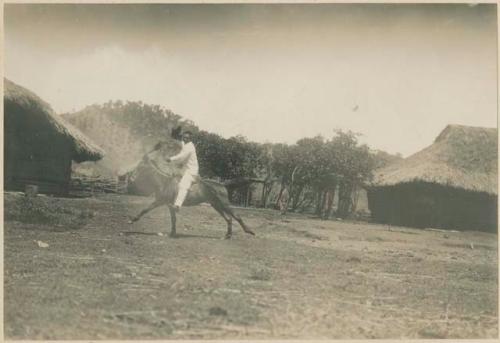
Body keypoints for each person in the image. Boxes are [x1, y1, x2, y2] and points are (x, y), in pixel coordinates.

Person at [165, 130, 199, 211]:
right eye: (184, 137)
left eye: (187, 138)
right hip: (185, 168)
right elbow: (180, 143)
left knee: (183, 186)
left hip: (191, 171)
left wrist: (170, 159)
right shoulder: (185, 143)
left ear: (190, 139)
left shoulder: (190, 147)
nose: (185, 139)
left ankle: (177, 206)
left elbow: (181, 156)